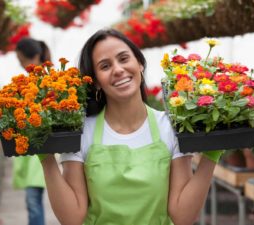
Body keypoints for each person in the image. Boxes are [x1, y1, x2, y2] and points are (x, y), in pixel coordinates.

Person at [39, 28, 223, 225]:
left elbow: (182, 216)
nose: (118, 69)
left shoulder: (169, 127)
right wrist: (46, 157)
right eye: (105, 66)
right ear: (96, 82)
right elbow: (72, 218)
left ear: (140, 64)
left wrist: (212, 155)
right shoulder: (82, 132)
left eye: (124, 58)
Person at [14, 37, 51, 225]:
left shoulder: (45, 81)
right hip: (30, 146)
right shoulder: (27, 82)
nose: (21, 64)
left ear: (35, 56)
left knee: (33, 200)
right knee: (32, 200)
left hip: (41, 145)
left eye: (22, 59)